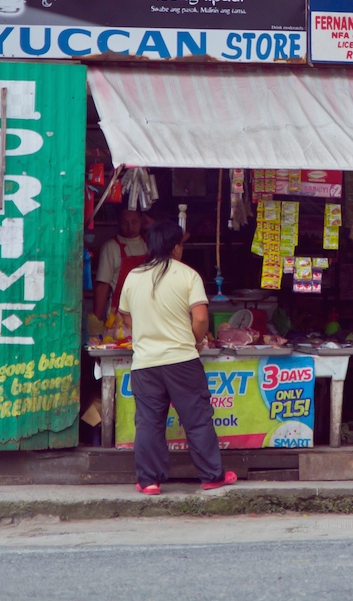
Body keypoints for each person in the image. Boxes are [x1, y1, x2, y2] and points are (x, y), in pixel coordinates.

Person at [118, 220, 237, 495]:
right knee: (197, 420)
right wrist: (196, 341)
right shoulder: (187, 275)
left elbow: (124, 314)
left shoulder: (134, 277)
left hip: (146, 363)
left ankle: (149, 481)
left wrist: (143, 332)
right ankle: (211, 476)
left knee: (148, 422)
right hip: (182, 361)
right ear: (175, 247)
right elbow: (201, 318)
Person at [93, 208, 147, 320]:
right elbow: (103, 285)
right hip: (118, 316)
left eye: (134, 222)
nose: (130, 227)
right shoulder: (111, 247)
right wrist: (96, 319)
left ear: (142, 220)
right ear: (118, 222)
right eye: (124, 223)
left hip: (145, 312)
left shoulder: (149, 244)